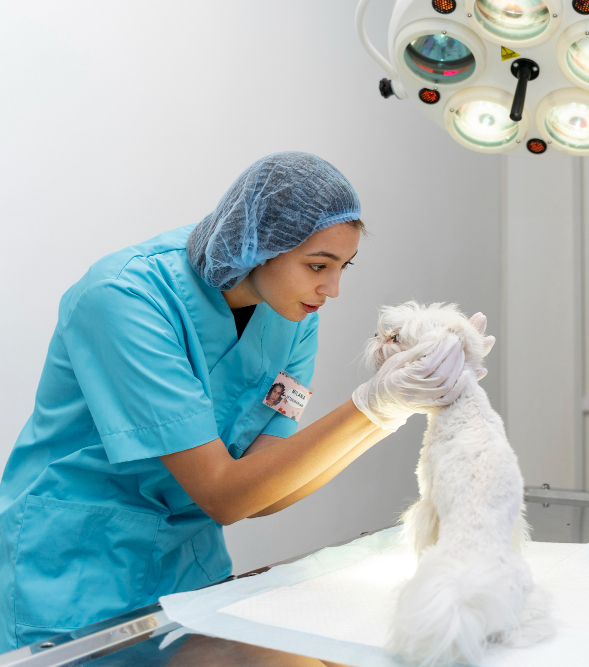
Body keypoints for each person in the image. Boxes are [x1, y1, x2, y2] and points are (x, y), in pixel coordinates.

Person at [0, 152, 492, 651]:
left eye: (343, 266)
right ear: (258, 245)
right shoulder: (125, 298)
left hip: (186, 565)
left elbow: (266, 491)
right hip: (71, 568)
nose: (333, 288)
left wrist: (390, 411)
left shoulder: (293, 314)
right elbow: (225, 494)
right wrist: (372, 405)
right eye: (318, 265)